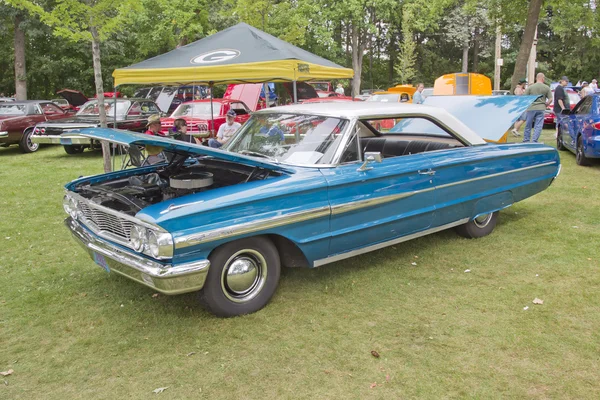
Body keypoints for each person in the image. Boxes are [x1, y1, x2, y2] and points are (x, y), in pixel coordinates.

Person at [522, 72, 552, 143]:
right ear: (542, 78)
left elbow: (524, 97)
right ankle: (534, 140)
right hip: (541, 108)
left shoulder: (530, 87)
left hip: (531, 108)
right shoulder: (546, 87)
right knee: (538, 126)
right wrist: (546, 104)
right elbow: (550, 99)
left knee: (528, 125)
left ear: (536, 78)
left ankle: (526, 140)